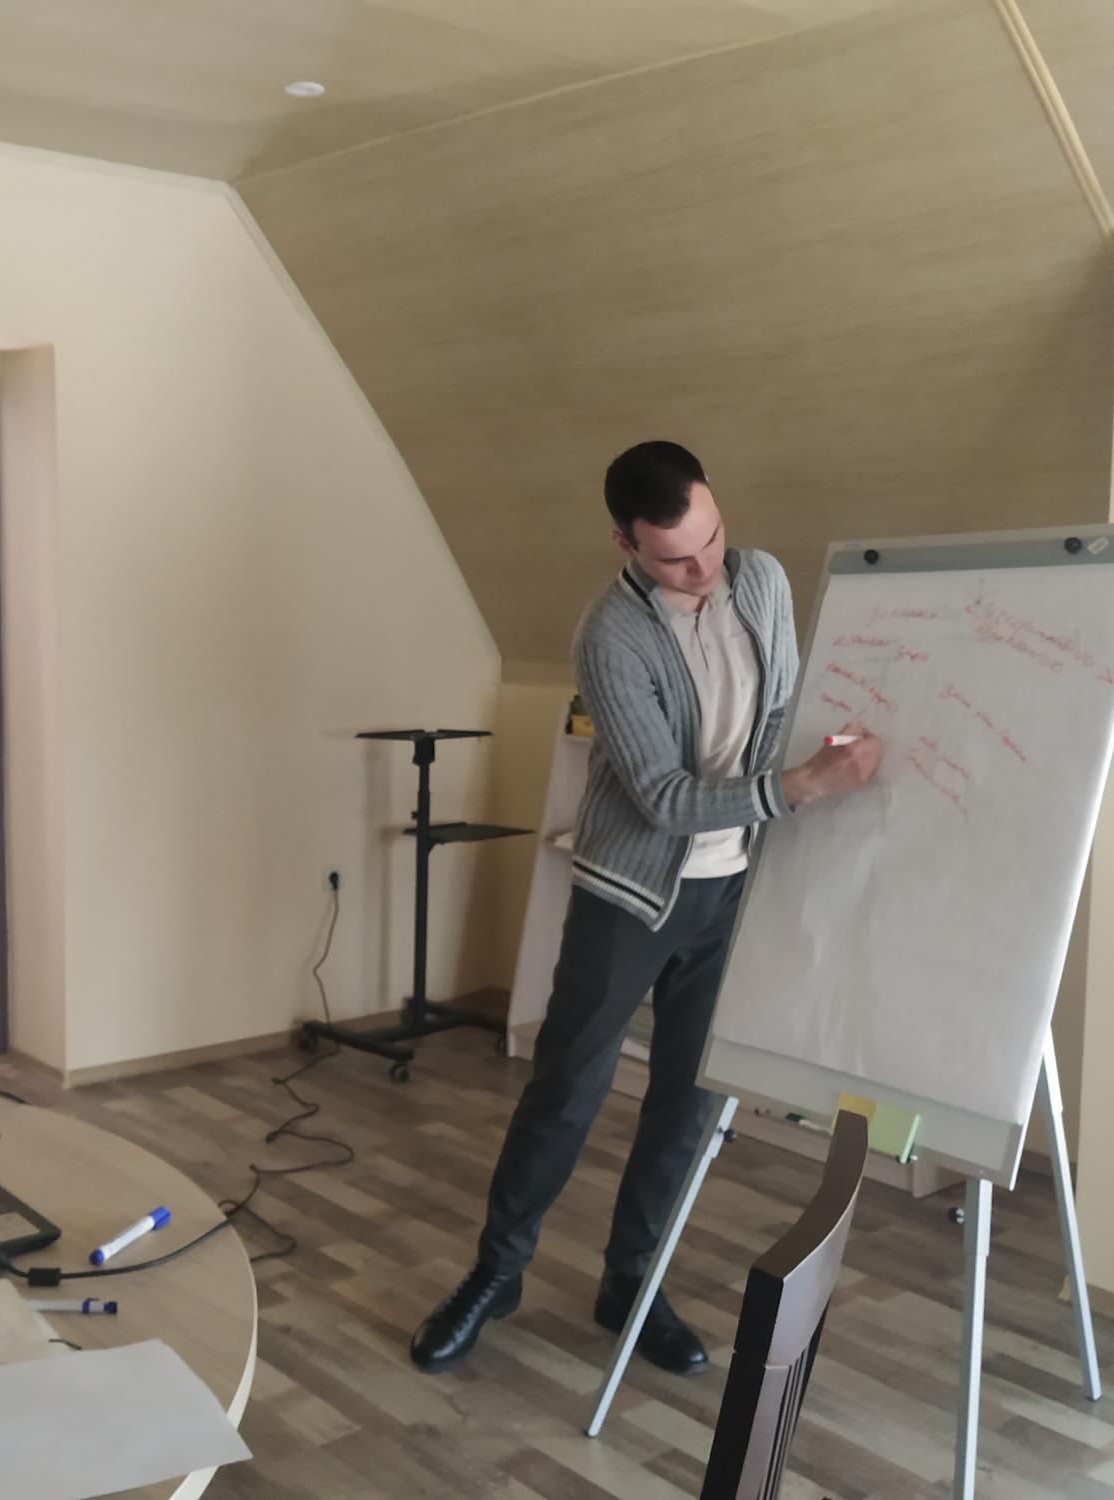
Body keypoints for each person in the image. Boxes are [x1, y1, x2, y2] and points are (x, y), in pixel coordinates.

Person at [410, 441, 882, 1376]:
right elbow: (662, 798)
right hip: (629, 897)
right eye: (675, 558)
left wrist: (807, 777)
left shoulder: (763, 582)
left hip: (731, 890)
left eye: (711, 540)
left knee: (686, 1104)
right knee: (566, 1092)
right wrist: (798, 788)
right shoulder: (609, 635)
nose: (703, 568)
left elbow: (776, 713)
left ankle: (633, 1279)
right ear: (626, 544)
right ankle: (496, 1274)